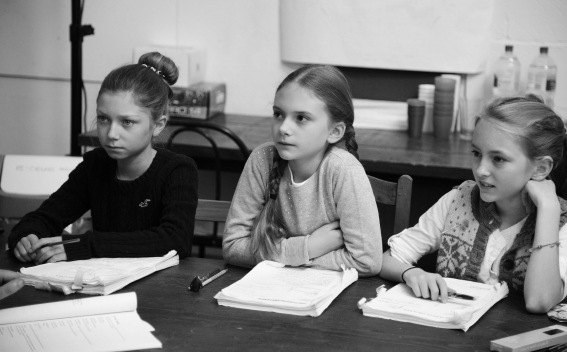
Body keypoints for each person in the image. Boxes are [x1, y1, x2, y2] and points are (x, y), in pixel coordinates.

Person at [380, 95, 567, 313]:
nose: (481, 170)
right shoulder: (458, 200)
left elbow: (539, 301)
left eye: (498, 159)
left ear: (541, 168)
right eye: (477, 153)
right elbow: (388, 259)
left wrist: (549, 208)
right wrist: (411, 273)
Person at [8, 52, 199, 264]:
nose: (111, 134)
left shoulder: (178, 170)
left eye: (127, 122)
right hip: (101, 287)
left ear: (158, 125)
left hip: (159, 289)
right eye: (103, 119)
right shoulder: (96, 165)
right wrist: (27, 236)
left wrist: (86, 246)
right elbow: (44, 218)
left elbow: (175, 240)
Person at [223, 65, 382, 276]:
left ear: (335, 131)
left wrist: (285, 258)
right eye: (278, 114)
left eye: (301, 118)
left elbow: (367, 262)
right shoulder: (262, 159)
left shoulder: (344, 170)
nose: (283, 128)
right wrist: (308, 248)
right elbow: (233, 247)